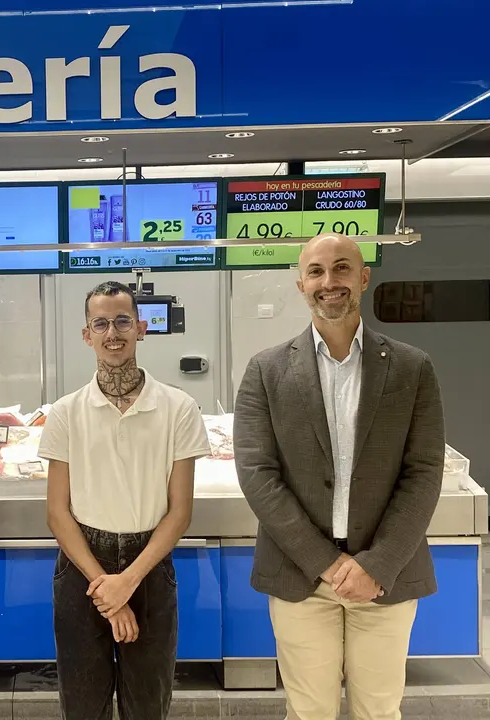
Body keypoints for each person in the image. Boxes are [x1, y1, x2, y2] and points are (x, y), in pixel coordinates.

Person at [233, 233, 445, 720]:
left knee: (379, 711)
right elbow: (258, 475)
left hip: (385, 576)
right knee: (309, 712)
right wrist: (326, 563)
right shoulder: (266, 370)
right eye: (316, 272)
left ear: (364, 278)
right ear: (301, 284)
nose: (330, 282)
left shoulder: (413, 368)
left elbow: (423, 472)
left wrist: (377, 565)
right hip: (301, 577)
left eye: (343, 268)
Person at [37, 281, 210, 720]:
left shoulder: (178, 408)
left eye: (121, 321)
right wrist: (107, 589)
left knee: (147, 703)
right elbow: (58, 513)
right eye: (100, 323)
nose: (112, 332)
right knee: (82, 705)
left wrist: (128, 581)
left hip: (148, 565)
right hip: (82, 566)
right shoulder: (66, 412)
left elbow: (180, 512)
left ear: (141, 328)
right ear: (86, 334)